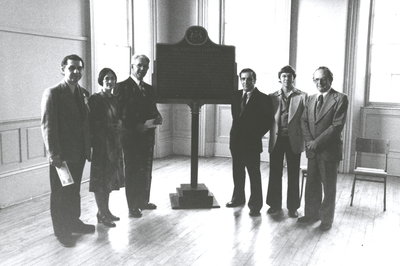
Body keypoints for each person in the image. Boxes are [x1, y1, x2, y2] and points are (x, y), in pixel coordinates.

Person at [41, 54, 95, 247]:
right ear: (62, 69)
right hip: (61, 156)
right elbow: (48, 126)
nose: (76, 72)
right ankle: (61, 231)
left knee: (74, 190)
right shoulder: (53, 93)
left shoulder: (83, 93)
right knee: (60, 194)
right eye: (71, 68)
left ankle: (74, 222)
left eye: (79, 68)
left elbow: (86, 125)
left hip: (78, 153)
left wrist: (88, 149)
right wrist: (53, 154)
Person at [297, 66, 348, 231]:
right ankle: (312, 214)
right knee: (312, 184)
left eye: (323, 79)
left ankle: (326, 220)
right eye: (316, 79)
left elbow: (336, 125)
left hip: (328, 151)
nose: (319, 82)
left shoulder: (340, 98)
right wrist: (309, 141)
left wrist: (316, 142)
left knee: (328, 187)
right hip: (313, 151)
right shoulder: (310, 98)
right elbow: (303, 121)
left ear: (330, 80)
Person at [116, 54, 162, 218]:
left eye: (145, 66)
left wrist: (158, 116)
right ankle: (132, 206)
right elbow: (120, 114)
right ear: (132, 66)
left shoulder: (149, 89)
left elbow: (152, 108)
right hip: (131, 137)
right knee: (133, 171)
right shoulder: (121, 87)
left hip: (148, 136)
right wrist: (137, 126)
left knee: (146, 169)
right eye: (139, 66)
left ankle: (143, 201)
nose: (142, 69)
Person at [226, 68, 274, 216]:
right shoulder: (235, 96)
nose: (246, 82)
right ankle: (238, 198)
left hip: (251, 143)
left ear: (254, 80)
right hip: (236, 141)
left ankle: (255, 206)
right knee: (237, 172)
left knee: (254, 174)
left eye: (249, 79)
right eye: (243, 79)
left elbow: (268, 121)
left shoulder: (263, 98)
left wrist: (255, 135)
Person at [266, 65, 307, 218]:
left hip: (293, 140)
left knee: (293, 173)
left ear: (293, 78)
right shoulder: (272, 96)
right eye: (284, 76)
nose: (286, 79)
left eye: (289, 76)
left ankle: (293, 207)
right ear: (280, 78)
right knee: (275, 173)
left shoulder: (302, 96)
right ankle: (274, 205)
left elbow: (305, 120)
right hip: (277, 139)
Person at [89, 68, 125, 227]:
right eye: (106, 79)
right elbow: (91, 122)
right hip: (101, 145)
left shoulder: (116, 99)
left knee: (109, 180)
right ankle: (102, 213)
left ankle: (105, 211)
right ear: (101, 81)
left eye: (112, 78)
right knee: (100, 182)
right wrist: (109, 127)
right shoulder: (95, 99)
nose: (110, 82)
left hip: (115, 144)